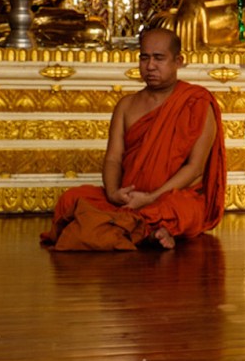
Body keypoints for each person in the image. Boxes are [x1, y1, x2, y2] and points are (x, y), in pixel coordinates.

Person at [40, 27, 226, 250]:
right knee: (71, 199)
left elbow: (195, 168)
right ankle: (147, 229)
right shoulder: (126, 105)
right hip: (127, 198)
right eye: (144, 58)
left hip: (171, 196)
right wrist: (113, 193)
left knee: (184, 209)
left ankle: (136, 226)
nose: (150, 66)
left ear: (178, 61)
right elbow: (113, 159)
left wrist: (151, 197)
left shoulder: (196, 102)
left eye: (159, 58)